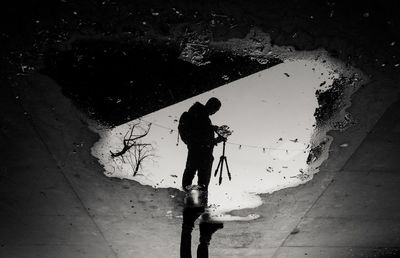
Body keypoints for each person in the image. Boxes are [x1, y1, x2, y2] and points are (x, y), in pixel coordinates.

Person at [180, 97, 224, 193]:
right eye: (216, 110)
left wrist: (213, 131)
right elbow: (201, 138)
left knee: (190, 175)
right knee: (202, 182)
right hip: (201, 154)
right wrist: (216, 138)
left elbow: (201, 135)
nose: (215, 112)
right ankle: (197, 202)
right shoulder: (201, 116)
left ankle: (187, 197)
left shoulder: (198, 113)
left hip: (195, 151)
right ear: (211, 105)